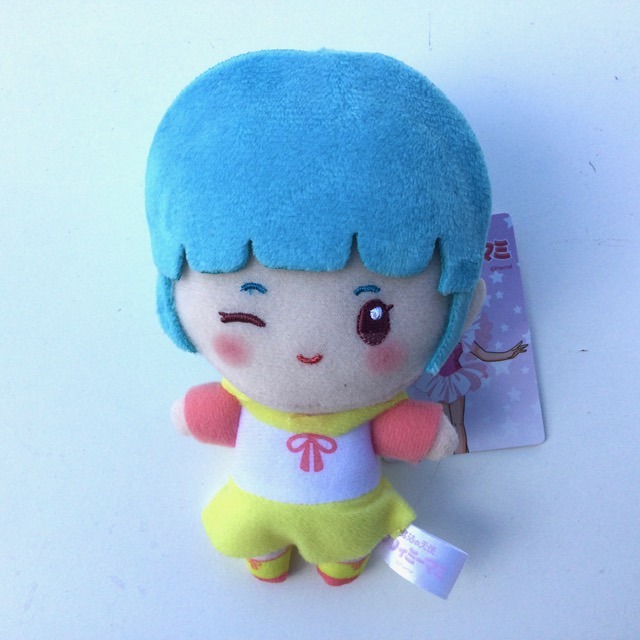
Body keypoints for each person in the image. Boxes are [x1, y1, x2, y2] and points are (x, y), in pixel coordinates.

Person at [145, 49, 491, 585]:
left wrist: (427, 434)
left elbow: (409, 431)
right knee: (258, 533)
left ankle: (338, 561)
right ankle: (271, 554)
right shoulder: (248, 399)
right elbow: (210, 414)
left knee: (344, 548)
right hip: (267, 513)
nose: (308, 350)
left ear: (459, 309)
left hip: (350, 522)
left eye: (372, 320)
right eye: (245, 313)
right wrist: (196, 413)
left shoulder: (369, 408)